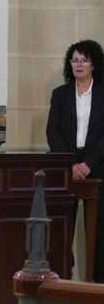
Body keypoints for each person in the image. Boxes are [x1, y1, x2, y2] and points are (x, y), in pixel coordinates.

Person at [46, 39, 104, 281]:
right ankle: (61, 280)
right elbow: (53, 130)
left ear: (94, 65)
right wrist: (70, 163)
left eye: (84, 60)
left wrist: (88, 164)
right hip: (66, 166)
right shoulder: (61, 94)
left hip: (97, 165)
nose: (78, 65)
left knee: (99, 231)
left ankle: (98, 284)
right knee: (62, 227)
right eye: (74, 60)